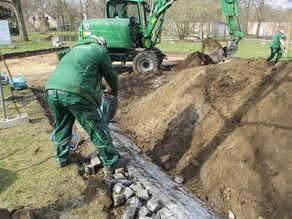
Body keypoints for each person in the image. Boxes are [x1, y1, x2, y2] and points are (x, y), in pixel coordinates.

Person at [45, 35, 130, 172]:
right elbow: (111, 75)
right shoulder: (100, 50)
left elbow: (81, 75)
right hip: (74, 94)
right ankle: (111, 160)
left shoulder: (75, 49)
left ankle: (62, 158)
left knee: (62, 126)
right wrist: (114, 91)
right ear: (102, 44)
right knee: (97, 127)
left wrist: (102, 88)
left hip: (52, 90)